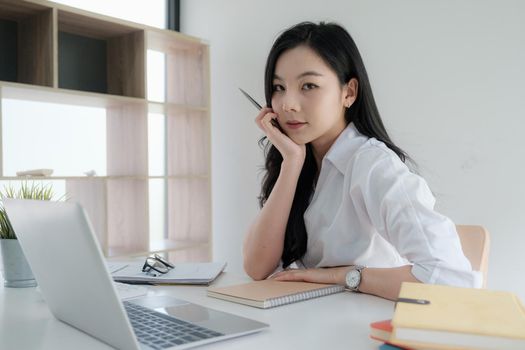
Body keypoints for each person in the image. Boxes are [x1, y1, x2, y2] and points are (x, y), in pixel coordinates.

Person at [242, 21, 480, 301]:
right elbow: (257, 267)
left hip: (369, 327)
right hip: (315, 319)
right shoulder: (302, 162)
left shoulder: (373, 165)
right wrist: (291, 163)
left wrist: (342, 276)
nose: (288, 104)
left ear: (349, 92)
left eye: (308, 85)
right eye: (278, 87)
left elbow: (453, 281)